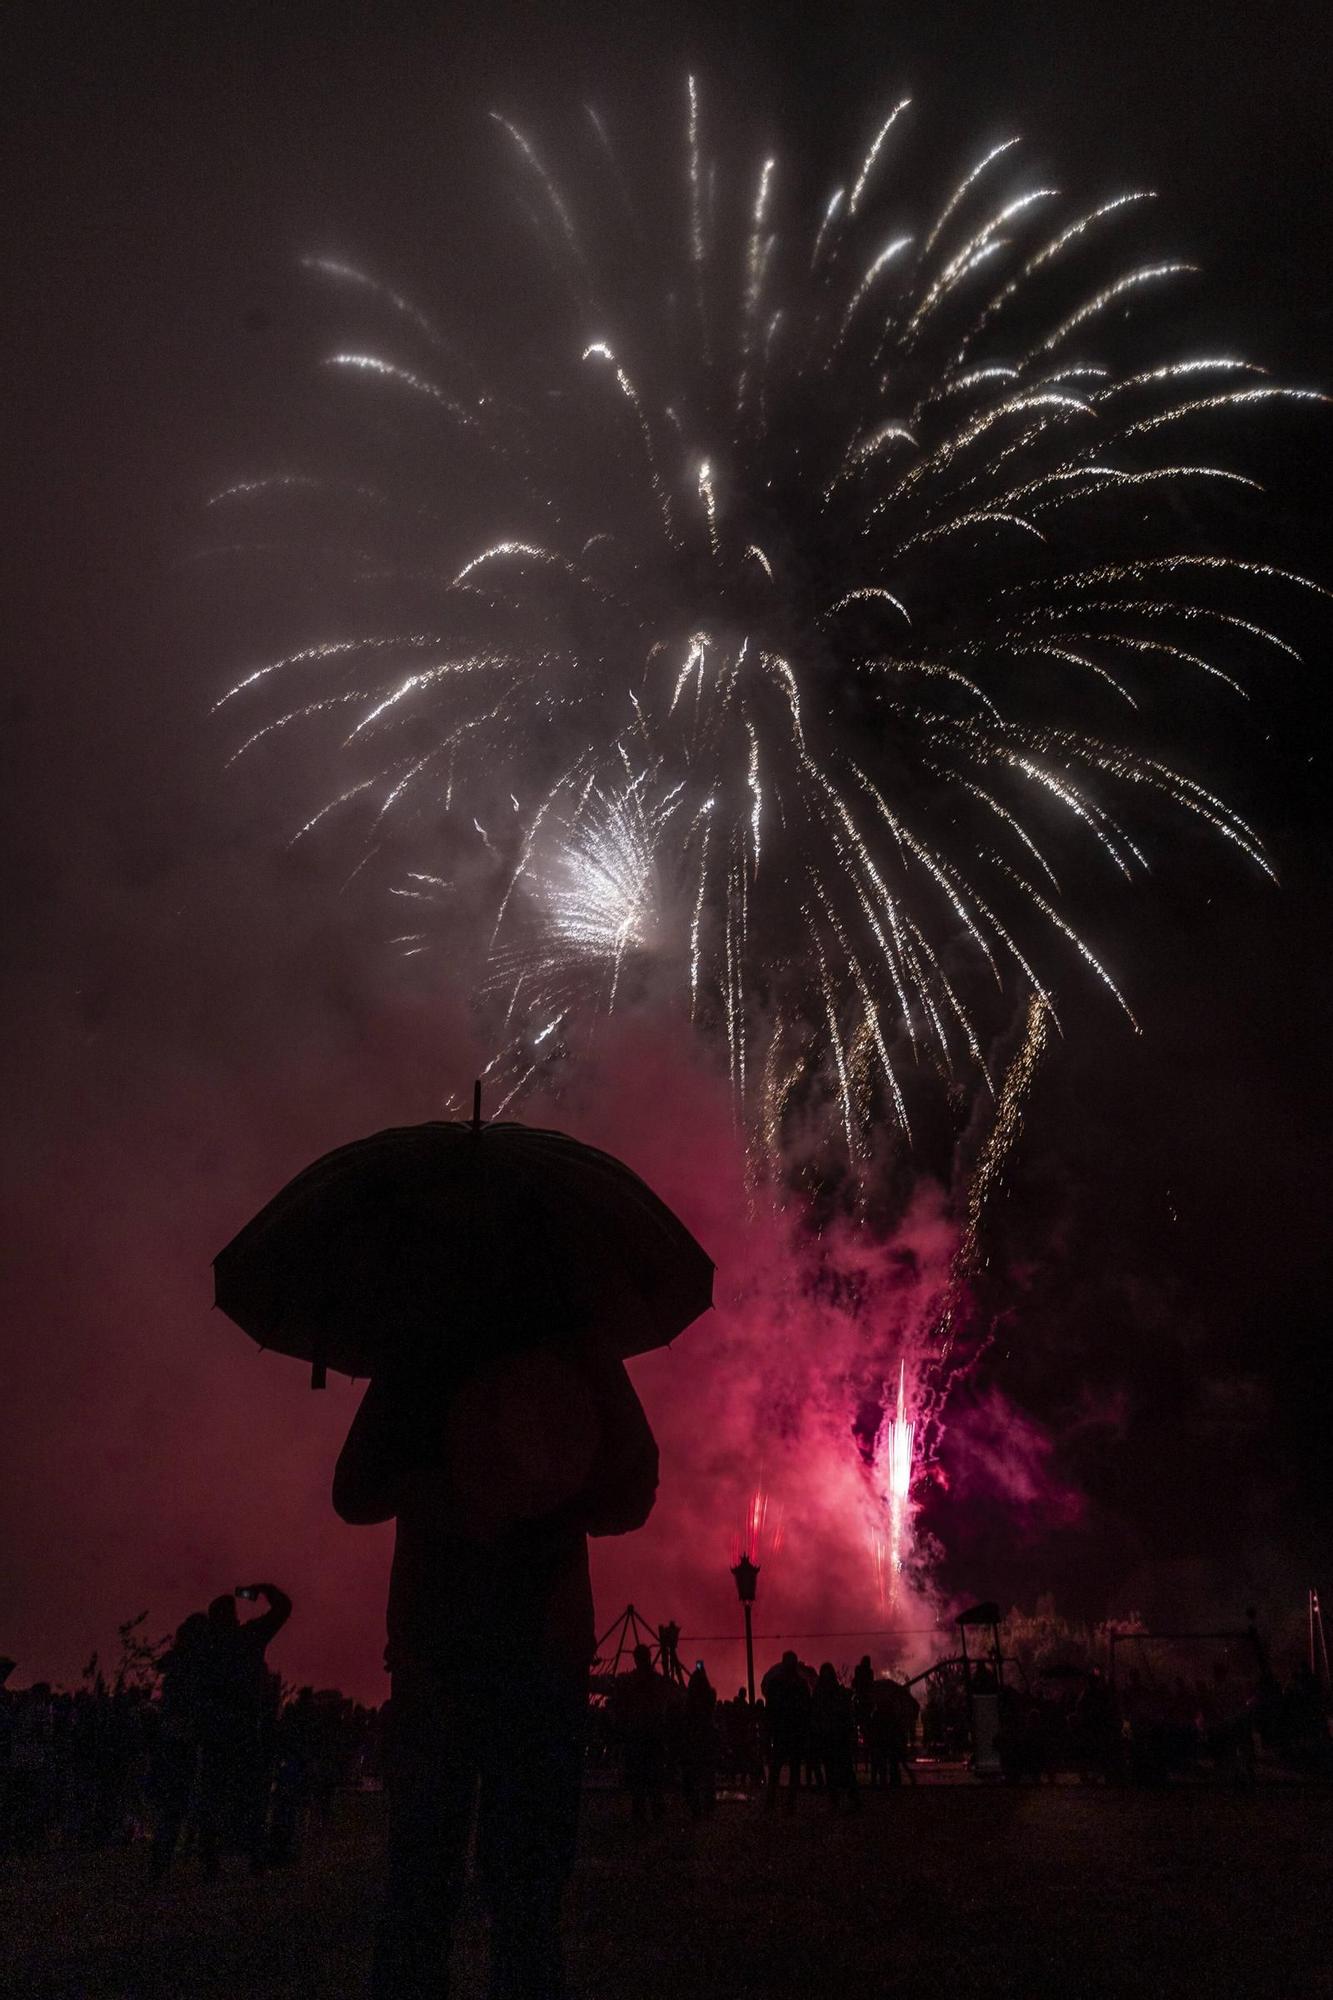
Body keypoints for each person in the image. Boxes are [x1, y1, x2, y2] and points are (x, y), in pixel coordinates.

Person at [334, 1318, 659, 2000]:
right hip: (521, 1655)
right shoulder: (574, 1339)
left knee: (430, 1889)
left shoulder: (419, 1344)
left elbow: (355, 1491)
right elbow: (635, 1483)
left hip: (449, 1653)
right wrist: (543, 1496)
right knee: (519, 1900)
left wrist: (468, 1495)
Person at [194, 1583, 292, 1879]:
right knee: (252, 1795)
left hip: (216, 1730)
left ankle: (211, 1860)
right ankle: (254, 1859)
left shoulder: (208, 1651)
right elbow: (283, 1609)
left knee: (215, 1796)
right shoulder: (247, 1638)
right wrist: (266, 1589)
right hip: (246, 1729)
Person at [614, 1644, 672, 1824]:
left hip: (637, 1735)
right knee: (654, 1776)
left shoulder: (630, 1682)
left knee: (639, 1778)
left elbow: (623, 1708)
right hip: (652, 1735)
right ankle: (656, 1813)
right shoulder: (656, 1681)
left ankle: (640, 1815)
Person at [761, 1652, 812, 1809]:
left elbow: (770, 1710)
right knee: (794, 1768)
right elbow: (806, 1710)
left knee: (776, 1767)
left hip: (781, 1731)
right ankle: (790, 1801)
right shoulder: (801, 1684)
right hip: (794, 1732)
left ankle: (771, 1800)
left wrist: (768, 1731)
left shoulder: (775, 1683)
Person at [810, 1664, 859, 1811]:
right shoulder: (838, 1694)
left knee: (835, 1770)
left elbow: (815, 1716)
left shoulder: (820, 1694)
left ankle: (839, 1799)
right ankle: (846, 1798)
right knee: (841, 1769)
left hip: (831, 1737)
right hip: (835, 1737)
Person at [679, 1665, 718, 1819]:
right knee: (708, 1773)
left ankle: (695, 1805)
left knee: (691, 1774)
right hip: (707, 1737)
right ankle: (708, 1805)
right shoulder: (710, 1696)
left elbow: (686, 1719)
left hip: (693, 1738)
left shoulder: (689, 1700)